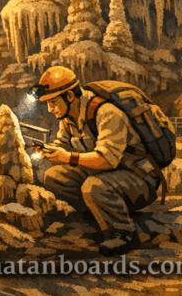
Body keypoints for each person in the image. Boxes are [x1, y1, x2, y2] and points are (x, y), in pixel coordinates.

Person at [34, 66, 159, 257]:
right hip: (107, 176)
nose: (50, 109)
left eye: (52, 102)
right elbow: (65, 144)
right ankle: (95, 216)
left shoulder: (106, 112)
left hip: (139, 178)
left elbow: (107, 160)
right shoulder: (68, 118)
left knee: (93, 186)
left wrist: (67, 157)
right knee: (53, 176)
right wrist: (51, 150)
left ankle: (124, 234)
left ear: (69, 96)